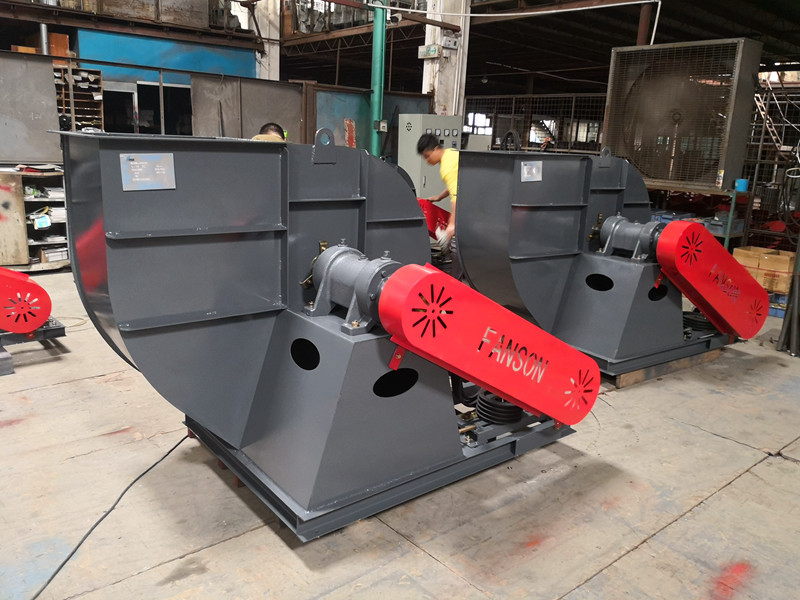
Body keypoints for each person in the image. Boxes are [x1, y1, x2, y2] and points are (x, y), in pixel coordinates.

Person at [417, 132, 461, 279]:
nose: (427, 160)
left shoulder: (447, 166)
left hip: (473, 203)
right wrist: (439, 197)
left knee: (456, 245)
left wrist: (452, 225)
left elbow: (456, 196)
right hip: (476, 198)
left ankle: (456, 282)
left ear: (436, 149)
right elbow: (456, 183)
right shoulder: (451, 153)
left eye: (427, 156)